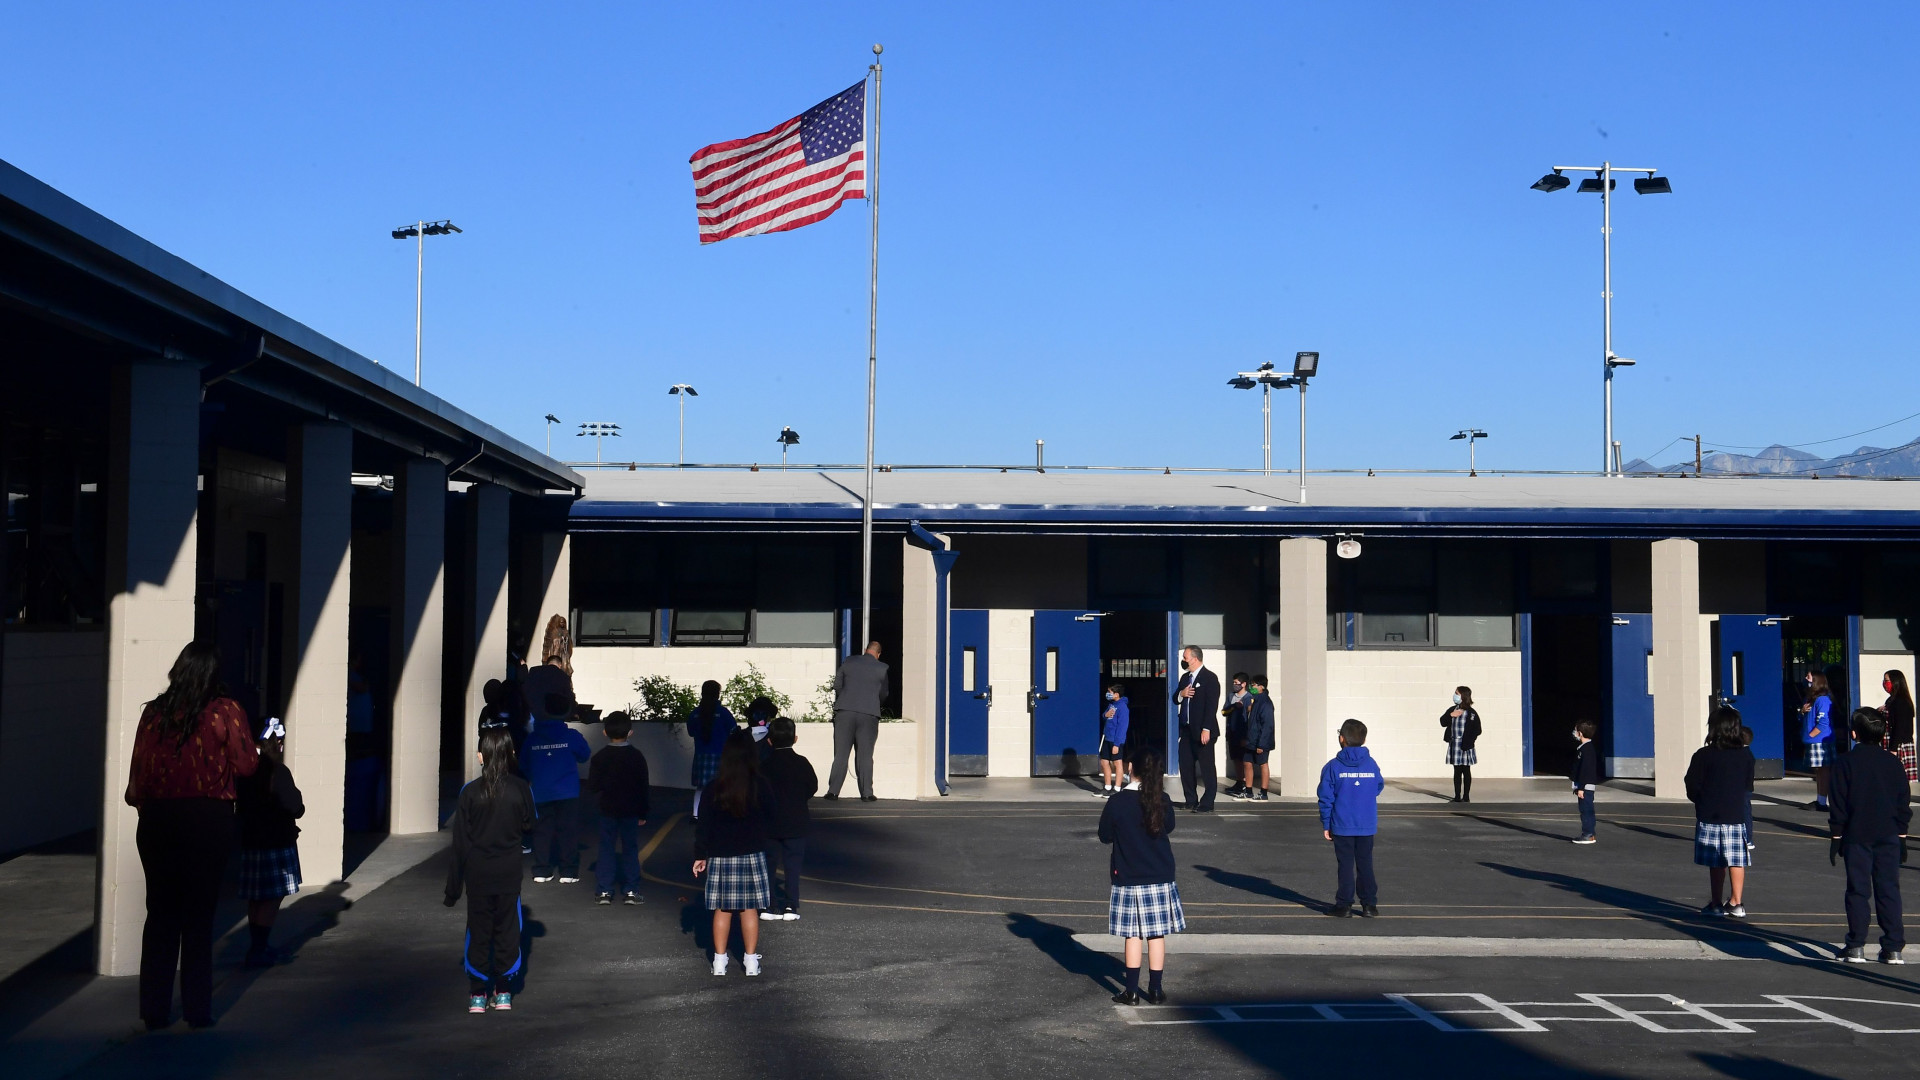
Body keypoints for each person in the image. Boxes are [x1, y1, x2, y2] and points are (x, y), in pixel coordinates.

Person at [124, 642, 259, 1029]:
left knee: (160, 914)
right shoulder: (225, 712)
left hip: (159, 820)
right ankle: (198, 1010)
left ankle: (154, 1009)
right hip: (208, 819)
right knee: (199, 918)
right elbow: (247, 765)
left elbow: (135, 784)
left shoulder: (154, 713)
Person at [444, 726, 537, 1013]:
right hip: (508, 872)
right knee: (509, 929)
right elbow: (531, 824)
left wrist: (453, 889)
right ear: (510, 754)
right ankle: (504, 990)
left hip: (478, 874)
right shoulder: (521, 788)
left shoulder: (469, 792)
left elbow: (460, 843)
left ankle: (477, 994)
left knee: (479, 930)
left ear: (480, 756)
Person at [1098, 749, 1183, 1006]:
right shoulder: (1162, 799)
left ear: (1131, 767)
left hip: (1129, 874)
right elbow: (1168, 827)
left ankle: (1131, 991)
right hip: (1160, 872)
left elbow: (1104, 835)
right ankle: (1155, 990)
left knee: (1132, 934)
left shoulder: (1117, 802)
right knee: (1157, 935)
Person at [1830, 708, 1910, 964]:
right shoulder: (1893, 762)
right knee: (1888, 889)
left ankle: (1856, 945)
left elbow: (1838, 804)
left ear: (1854, 734)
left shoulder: (1845, 762)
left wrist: (1836, 836)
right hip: (1888, 833)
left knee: (1858, 890)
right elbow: (1902, 802)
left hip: (1857, 835)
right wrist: (1902, 835)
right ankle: (1893, 946)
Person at [694, 731, 776, 975]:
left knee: (723, 909)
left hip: (720, 854)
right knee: (749, 909)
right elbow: (772, 815)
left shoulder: (713, 787)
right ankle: (751, 961)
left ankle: (719, 962)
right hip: (752, 853)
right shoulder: (760, 784)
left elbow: (703, 825)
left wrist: (700, 855)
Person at [235, 714, 305, 968]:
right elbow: (295, 806)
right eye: (282, 741)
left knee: (257, 897)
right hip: (276, 843)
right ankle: (259, 949)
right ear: (276, 743)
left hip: (253, 841)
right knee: (272, 897)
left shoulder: (246, 771)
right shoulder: (278, 772)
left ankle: (258, 946)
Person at [1685, 705, 1757, 919]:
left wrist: (1701, 800)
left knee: (1716, 861)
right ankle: (1737, 902)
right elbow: (1747, 786)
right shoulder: (1746, 756)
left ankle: (1716, 903)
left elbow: (1692, 785)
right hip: (1735, 815)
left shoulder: (1703, 755)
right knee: (1737, 859)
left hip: (1709, 813)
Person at [521, 664, 590, 884]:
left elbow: (523, 764)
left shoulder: (532, 739)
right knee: (567, 832)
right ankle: (568, 871)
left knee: (542, 832)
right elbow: (584, 755)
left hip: (540, 792)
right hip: (567, 791)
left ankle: (542, 869)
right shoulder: (571, 736)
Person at [1318, 719, 1386, 918]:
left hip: (1342, 824)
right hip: (1366, 824)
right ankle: (1369, 905)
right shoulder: (1371, 764)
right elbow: (1378, 786)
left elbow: (1326, 797)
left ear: (1341, 739)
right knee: (1365, 864)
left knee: (1345, 865)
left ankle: (1344, 905)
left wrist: (1326, 823)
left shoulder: (1333, 767)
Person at [587, 711, 650, 906]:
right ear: (630, 732)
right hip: (630, 809)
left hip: (608, 808)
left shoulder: (600, 757)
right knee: (630, 848)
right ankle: (631, 889)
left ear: (604, 732)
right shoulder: (636, 756)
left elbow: (593, 786)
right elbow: (643, 786)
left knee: (606, 847)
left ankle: (604, 890)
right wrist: (643, 811)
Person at [759, 717, 818, 920]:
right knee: (793, 864)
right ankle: (791, 906)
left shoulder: (764, 765)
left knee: (768, 863)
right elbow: (812, 787)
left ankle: (768, 905)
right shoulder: (801, 763)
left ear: (769, 741)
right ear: (795, 739)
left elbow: (756, 792)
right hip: (796, 821)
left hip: (769, 822)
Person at [826, 641, 889, 802]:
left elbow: (837, 685)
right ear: (879, 654)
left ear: (865, 650)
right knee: (865, 755)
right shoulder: (882, 668)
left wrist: (846, 699)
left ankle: (833, 792)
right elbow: (884, 694)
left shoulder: (849, 661)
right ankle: (867, 793)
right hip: (869, 714)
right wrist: (872, 702)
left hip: (845, 711)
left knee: (840, 754)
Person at [1174, 645, 1221, 812]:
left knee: (1207, 767)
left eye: (1186, 658)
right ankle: (1190, 800)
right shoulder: (1185, 678)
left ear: (1194, 659)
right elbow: (1175, 698)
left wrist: (1206, 728)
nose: (1184, 661)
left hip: (1203, 730)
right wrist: (1182, 694)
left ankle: (1207, 803)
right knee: (1185, 766)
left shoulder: (1210, 678)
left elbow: (1211, 706)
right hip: (1186, 731)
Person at [689, 679, 739, 789]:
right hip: (720, 756)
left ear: (702, 693)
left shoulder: (695, 713)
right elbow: (734, 731)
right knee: (719, 789)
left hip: (700, 756)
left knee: (701, 789)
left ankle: (698, 807)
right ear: (717, 694)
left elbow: (691, 732)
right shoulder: (723, 713)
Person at [1441, 686, 1483, 804]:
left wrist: (1470, 741)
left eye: (1457, 693)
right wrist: (1451, 716)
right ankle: (1457, 796)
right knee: (1457, 771)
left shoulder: (1471, 713)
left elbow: (1477, 729)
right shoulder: (1452, 709)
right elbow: (1442, 722)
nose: (1454, 696)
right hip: (1455, 744)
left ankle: (1466, 796)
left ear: (1463, 696)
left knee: (1466, 770)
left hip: (1465, 745)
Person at [1802, 670, 1837, 811]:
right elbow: (1805, 717)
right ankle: (1820, 800)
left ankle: (1822, 801)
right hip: (1813, 740)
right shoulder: (1811, 699)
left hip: (1820, 741)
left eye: (1809, 677)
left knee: (1824, 771)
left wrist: (1812, 735)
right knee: (1819, 771)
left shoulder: (1823, 699)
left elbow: (1823, 722)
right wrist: (1802, 711)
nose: (1806, 679)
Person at [1878, 669, 1917, 786]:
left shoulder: (1901, 702)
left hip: (1899, 746)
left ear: (1896, 682)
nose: (1884, 684)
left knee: (1899, 779)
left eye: (1887, 681)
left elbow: (1900, 727)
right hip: (1890, 743)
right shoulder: (1891, 700)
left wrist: (1893, 749)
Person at [1239, 675, 1275, 801]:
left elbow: (1267, 725)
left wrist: (1262, 744)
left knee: (1262, 764)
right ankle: (1248, 791)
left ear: (1261, 687)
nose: (1251, 687)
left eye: (1253, 685)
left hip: (1260, 741)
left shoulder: (1265, 703)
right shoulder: (1255, 700)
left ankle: (1263, 793)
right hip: (1251, 740)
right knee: (1247, 762)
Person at [1098, 684, 1131, 797]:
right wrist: (1105, 715)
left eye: (1110, 692)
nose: (1108, 694)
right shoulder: (1111, 704)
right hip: (1107, 737)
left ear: (1117, 694)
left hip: (1116, 739)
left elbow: (1122, 727)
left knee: (1117, 763)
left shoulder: (1122, 708)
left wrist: (1117, 744)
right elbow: (1106, 716)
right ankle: (1107, 786)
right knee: (1104, 761)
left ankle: (1117, 787)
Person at [1221, 673, 1250, 798]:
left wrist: (1246, 736)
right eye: (1233, 683)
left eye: (1237, 683)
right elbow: (1224, 711)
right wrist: (1234, 706)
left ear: (1243, 684)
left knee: (1244, 760)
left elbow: (1249, 717)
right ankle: (1239, 782)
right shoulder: (1231, 696)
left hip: (1242, 733)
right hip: (1232, 733)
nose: (1235, 685)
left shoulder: (1249, 697)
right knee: (1236, 759)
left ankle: (1246, 784)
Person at [1570, 719, 1599, 844]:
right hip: (1584, 786)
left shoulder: (1586, 750)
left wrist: (1581, 787)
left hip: (1585, 787)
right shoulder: (1585, 748)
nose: (1574, 733)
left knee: (1586, 811)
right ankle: (1590, 834)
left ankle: (1588, 834)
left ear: (1580, 733)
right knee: (1587, 810)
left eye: (1576, 730)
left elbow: (1585, 770)